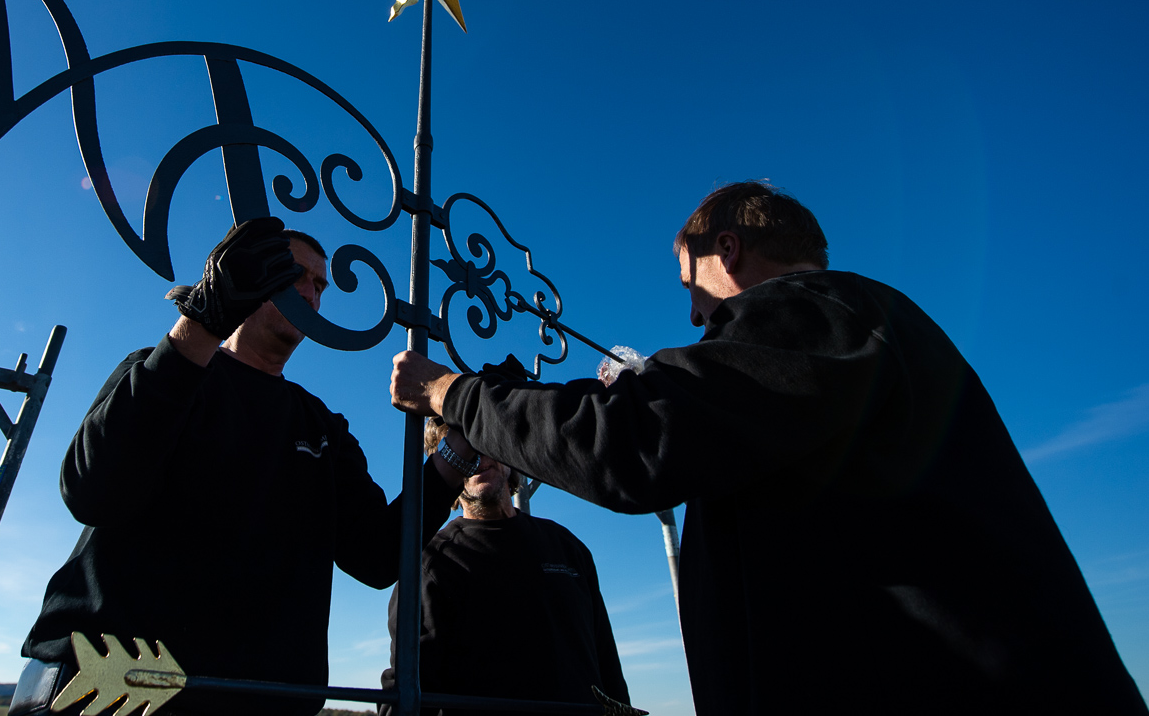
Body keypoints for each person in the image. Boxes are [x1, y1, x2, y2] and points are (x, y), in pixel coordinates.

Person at [390, 182, 1148, 716]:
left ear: (727, 248)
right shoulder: (861, 327)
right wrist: (665, 385)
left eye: (692, 283)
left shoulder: (813, 312)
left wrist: (452, 395)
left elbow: (633, 443)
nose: (692, 310)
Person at [12, 217, 470, 716]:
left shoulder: (322, 427)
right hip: (112, 695)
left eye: (319, 285)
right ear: (249, 273)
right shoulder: (163, 371)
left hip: (268, 704)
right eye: (294, 274)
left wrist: (461, 447)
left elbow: (381, 556)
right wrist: (203, 318)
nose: (311, 294)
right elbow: (92, 490)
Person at [378, 412, 631, 716]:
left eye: (485, 442)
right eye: (460, 448)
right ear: (445, 467)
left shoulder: (567, 547)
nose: (478, 456)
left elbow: (608, 668)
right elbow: (408, 692)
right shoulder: (430, 565)